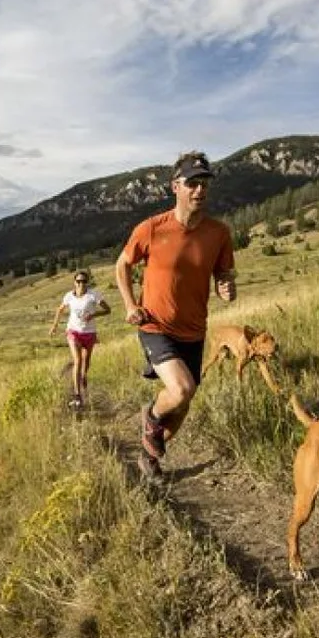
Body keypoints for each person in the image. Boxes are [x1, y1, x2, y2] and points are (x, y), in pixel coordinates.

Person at [114, 151, 236, 477]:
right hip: (156, 324)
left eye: (204, 184)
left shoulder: (219, 233)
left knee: (183, 404)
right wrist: (129, 305)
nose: (200, 190)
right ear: (175, 186)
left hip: (194, 330)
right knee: (182, 389)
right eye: (192, 183)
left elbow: (224, 273)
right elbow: (122, 265)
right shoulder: (153, 228)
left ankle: (149, 457)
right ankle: (151, 416)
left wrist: (226, 286)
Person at [48, 269, 110, 409]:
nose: (81, 284)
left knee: (85, 366)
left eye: (84, 281)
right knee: (78, 360)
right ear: (74, 282)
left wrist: (93, 315)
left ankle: (82, 379)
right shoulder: (69, 296)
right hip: (73, 331)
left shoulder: (94, 295)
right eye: (78, 281)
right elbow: (60, 310)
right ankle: (77, 396)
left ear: (87, 282)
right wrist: (54, 327)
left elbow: (108, 310)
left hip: (89, 333)